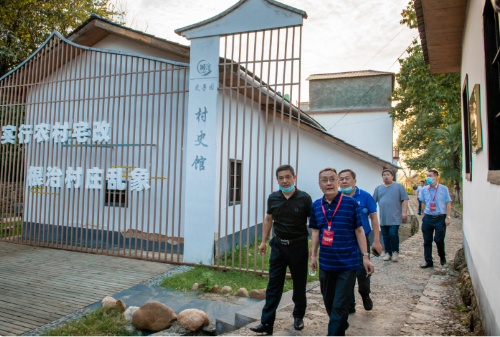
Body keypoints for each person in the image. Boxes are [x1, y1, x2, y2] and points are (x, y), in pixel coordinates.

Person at [310, 168, 374, 336]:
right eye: (325, 180)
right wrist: (313, 255)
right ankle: (340, 324)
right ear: (320, 184)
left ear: (338, 182)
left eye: (332, 179)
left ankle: (334, 333)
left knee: (339, 304)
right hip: (326, 263)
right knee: (329, 302)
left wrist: (365, 257)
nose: (329, 183)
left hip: (348, 263)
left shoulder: (351, 203)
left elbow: (359, 230)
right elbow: (315, 231)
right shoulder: (316, 205)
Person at [249, 164, 312, 335]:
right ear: (277, 180)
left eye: (287, 177)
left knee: (299, 284)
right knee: (273, 285)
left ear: (294, 177)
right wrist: (263, 241)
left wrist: (314, 247)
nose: (284, 181)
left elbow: (312, 223)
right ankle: (267, 323)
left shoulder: (305, 198)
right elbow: (268, 219)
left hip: (298, 246)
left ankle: (298, 316)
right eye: (281, 178)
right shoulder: (273, 198)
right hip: (278, 246)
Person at [338, 169, 382, 314]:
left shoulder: (365, 196)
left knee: (362, 272)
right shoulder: (336, 198)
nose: (344, 181)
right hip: (344, 243)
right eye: (341, 179)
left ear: (354, 181)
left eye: (347, 178)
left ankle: (365, 294)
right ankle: (350, 303)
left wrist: (376, 241)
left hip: (362, 242)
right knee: (346, 273)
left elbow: (374, 219)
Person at [373, 169, 409, 262]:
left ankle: (395, 252)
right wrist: (371, 213)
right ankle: (388, 252)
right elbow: (373, 202)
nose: (386, 176)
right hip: (383, 217)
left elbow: (405, 199)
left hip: (395, 216)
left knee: (393, 234)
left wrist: (404, 212)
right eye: (384, 175)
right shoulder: (378, 188)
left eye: (388, 174)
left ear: (392, 176)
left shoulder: (399, 186)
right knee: (385, 235)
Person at [418, 170, 452, 268]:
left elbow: (448, 203)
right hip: (428, 218)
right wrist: (424, 215)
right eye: (427, 175)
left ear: (436, 177)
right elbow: (423, 202)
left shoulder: (443, 189)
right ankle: (428, 261)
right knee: (427, 241)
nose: (428, 177)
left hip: (440, 218)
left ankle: (442, 256)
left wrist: (448, 217)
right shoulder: (424, 189)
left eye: (430, 176)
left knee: (438, 239)